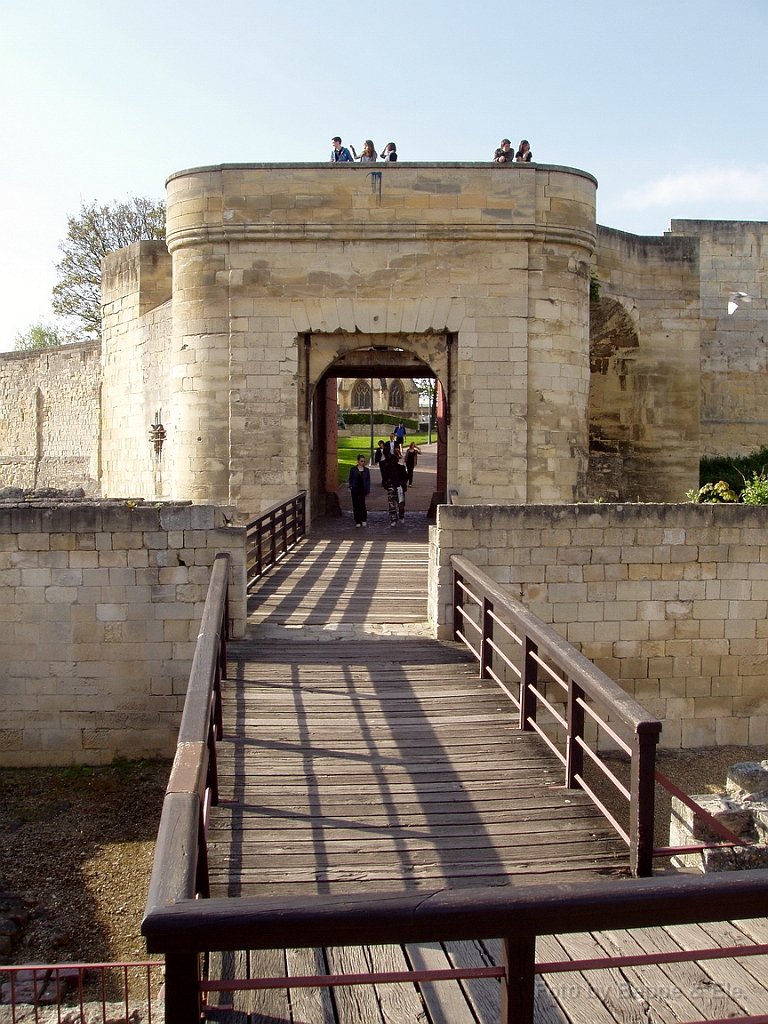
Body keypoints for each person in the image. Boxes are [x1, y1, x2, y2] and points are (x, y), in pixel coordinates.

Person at [383, 452, 408, 527]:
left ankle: (401, 516)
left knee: (401, 504)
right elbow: (384, 478)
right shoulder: (388, 468)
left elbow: (406, 477)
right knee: (392, 505)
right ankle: (393, 519)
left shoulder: (401, 468)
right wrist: (387, 482)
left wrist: (402, 483)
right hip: (391, 487)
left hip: (399, 488)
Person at [348, 454, 371, 527]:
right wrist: (351, 485)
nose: (363, 462)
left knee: (362, 504)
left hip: (362, 489)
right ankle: (357, 520)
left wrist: (368, 491)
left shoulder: (366, 470)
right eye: (361, 461)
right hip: (355, 488)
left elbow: (368, 481)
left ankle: (363, 519)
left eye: (364, 461)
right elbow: (350, 478)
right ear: (358, 461)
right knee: (355, 504)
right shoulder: (353, 469)